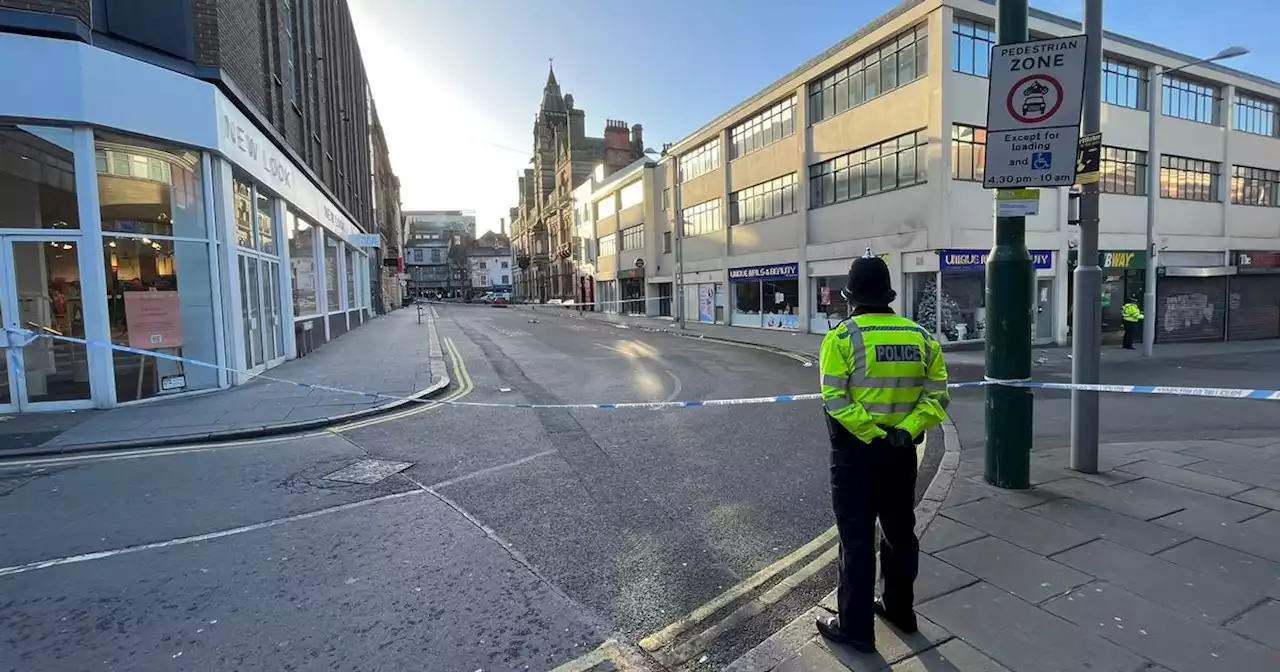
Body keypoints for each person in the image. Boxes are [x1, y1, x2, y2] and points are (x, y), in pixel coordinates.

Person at [815, 251, 950, 653]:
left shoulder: (841, 338)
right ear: (889, 295)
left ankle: (855, 629)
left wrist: (871, 434)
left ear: (850, 296)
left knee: (856, 542)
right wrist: (904, 432)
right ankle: (900, 610)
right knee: (899, 533)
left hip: (856, 456)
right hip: (901, 453)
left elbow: (835, 400)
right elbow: (938, 397)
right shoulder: (921, 337)